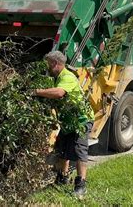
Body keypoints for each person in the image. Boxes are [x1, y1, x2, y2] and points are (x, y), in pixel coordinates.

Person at [35, 51, 94, 198]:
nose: (47, 68)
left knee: (79, 150)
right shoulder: (57, 78)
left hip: (81, 120)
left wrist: (37, 92)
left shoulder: (67, 77)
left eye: (49, 64)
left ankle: (81, 185)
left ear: (55, 63)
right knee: (62, 149)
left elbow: (59, 93)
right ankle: (62, 178)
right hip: (68, 121)